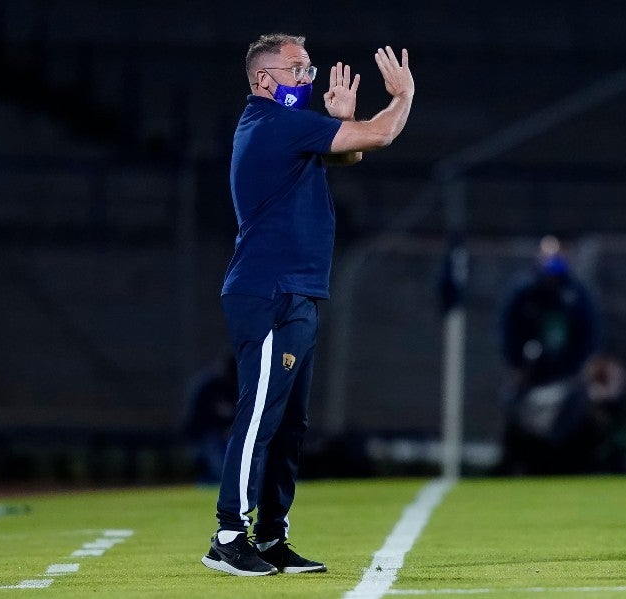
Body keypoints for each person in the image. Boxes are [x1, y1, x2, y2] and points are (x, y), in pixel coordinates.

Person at [200, 33, 414, 577]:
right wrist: (402, 98)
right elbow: (381, 134)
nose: (307, 78)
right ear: (262, 80)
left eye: (308, 68)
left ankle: (271, 535)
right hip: (271, 289)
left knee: (290, 423)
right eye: (297, 69)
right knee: (259, 417)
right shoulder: (274, 122)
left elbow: (350, 153)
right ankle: (228, 535)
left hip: (291, 289)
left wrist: (343, 124)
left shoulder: (280, 128)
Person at [496, 236, 599, 473]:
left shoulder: (576, 294)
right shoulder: (524, 294)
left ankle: (573, 465)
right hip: (529, 374)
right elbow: (509, 331)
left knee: (577, 416)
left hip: (565, 376)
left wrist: (574, 367)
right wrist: (518, 365)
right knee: (516, 414)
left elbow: (588, 335)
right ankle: (516, 464)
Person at [183, 352, 238, 484]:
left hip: (226, 435)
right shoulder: (210, 387)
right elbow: (200, 420)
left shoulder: (237, 385)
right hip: (204, 436)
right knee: (217, 468)